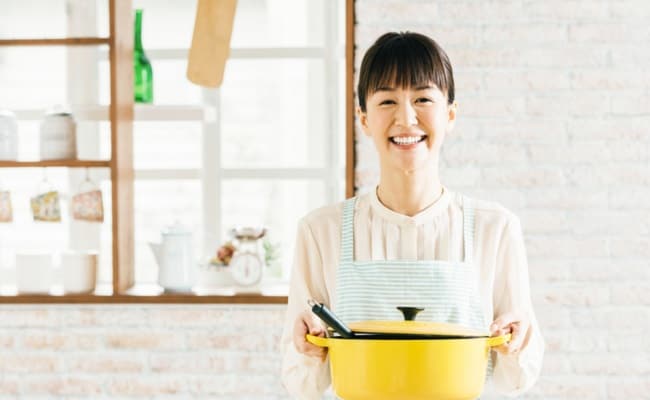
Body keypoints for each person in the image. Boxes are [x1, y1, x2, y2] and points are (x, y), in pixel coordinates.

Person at [281, 31, 544, 399]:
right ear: (364, 119)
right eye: (387, 100)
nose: (406, 118)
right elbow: (301, 384)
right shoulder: (319, 231)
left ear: (450, 114)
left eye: (422, 98)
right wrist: (308, 350)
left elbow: (520, 377)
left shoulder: (495, 228)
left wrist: (517, 342)